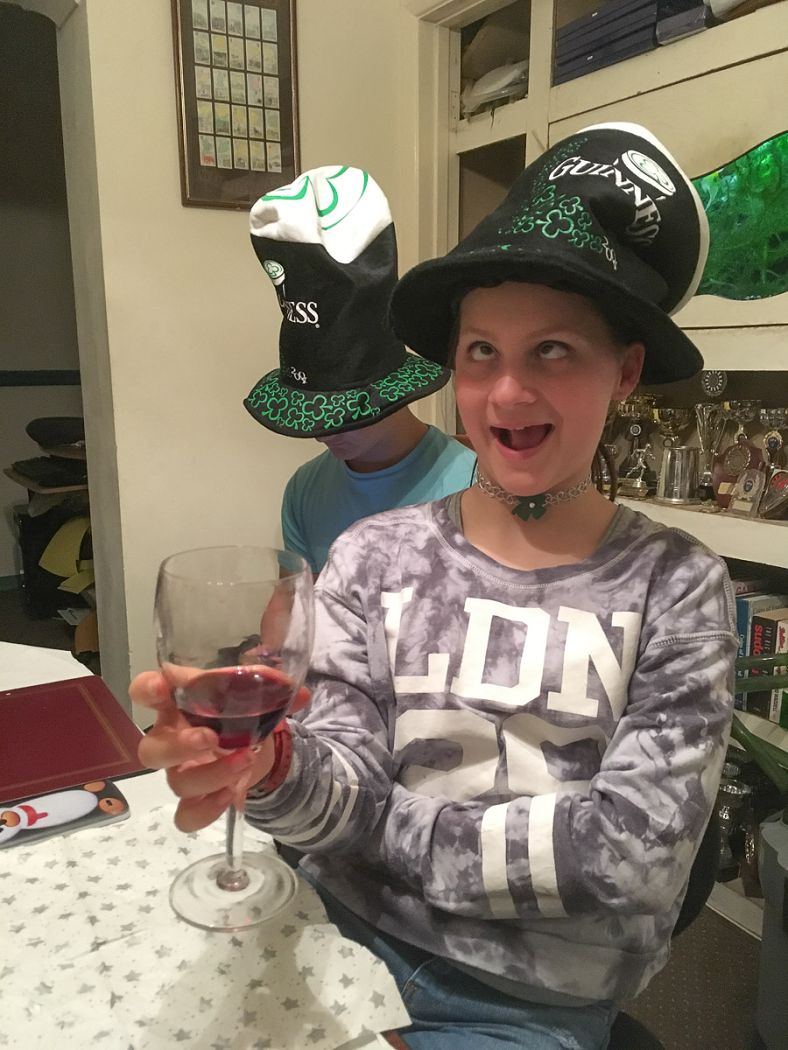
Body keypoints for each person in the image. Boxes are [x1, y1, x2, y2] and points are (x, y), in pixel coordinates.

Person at [136, 124, 737, 1049]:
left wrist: (377, 824)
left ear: (624, 372)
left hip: (523, 1005)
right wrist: (272, 770)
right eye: (482, 352)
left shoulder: (679, 588)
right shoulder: (373, 555)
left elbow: (630, 860)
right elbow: (332, 780)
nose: (507, 394)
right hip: (336, 937)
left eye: (553, 351)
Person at [243, 164, 476, 574]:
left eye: (340, 414)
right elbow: (294, 598)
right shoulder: (303, 490)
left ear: (389, 389)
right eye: (314, 414)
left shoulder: (475, 486)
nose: (321, 433)